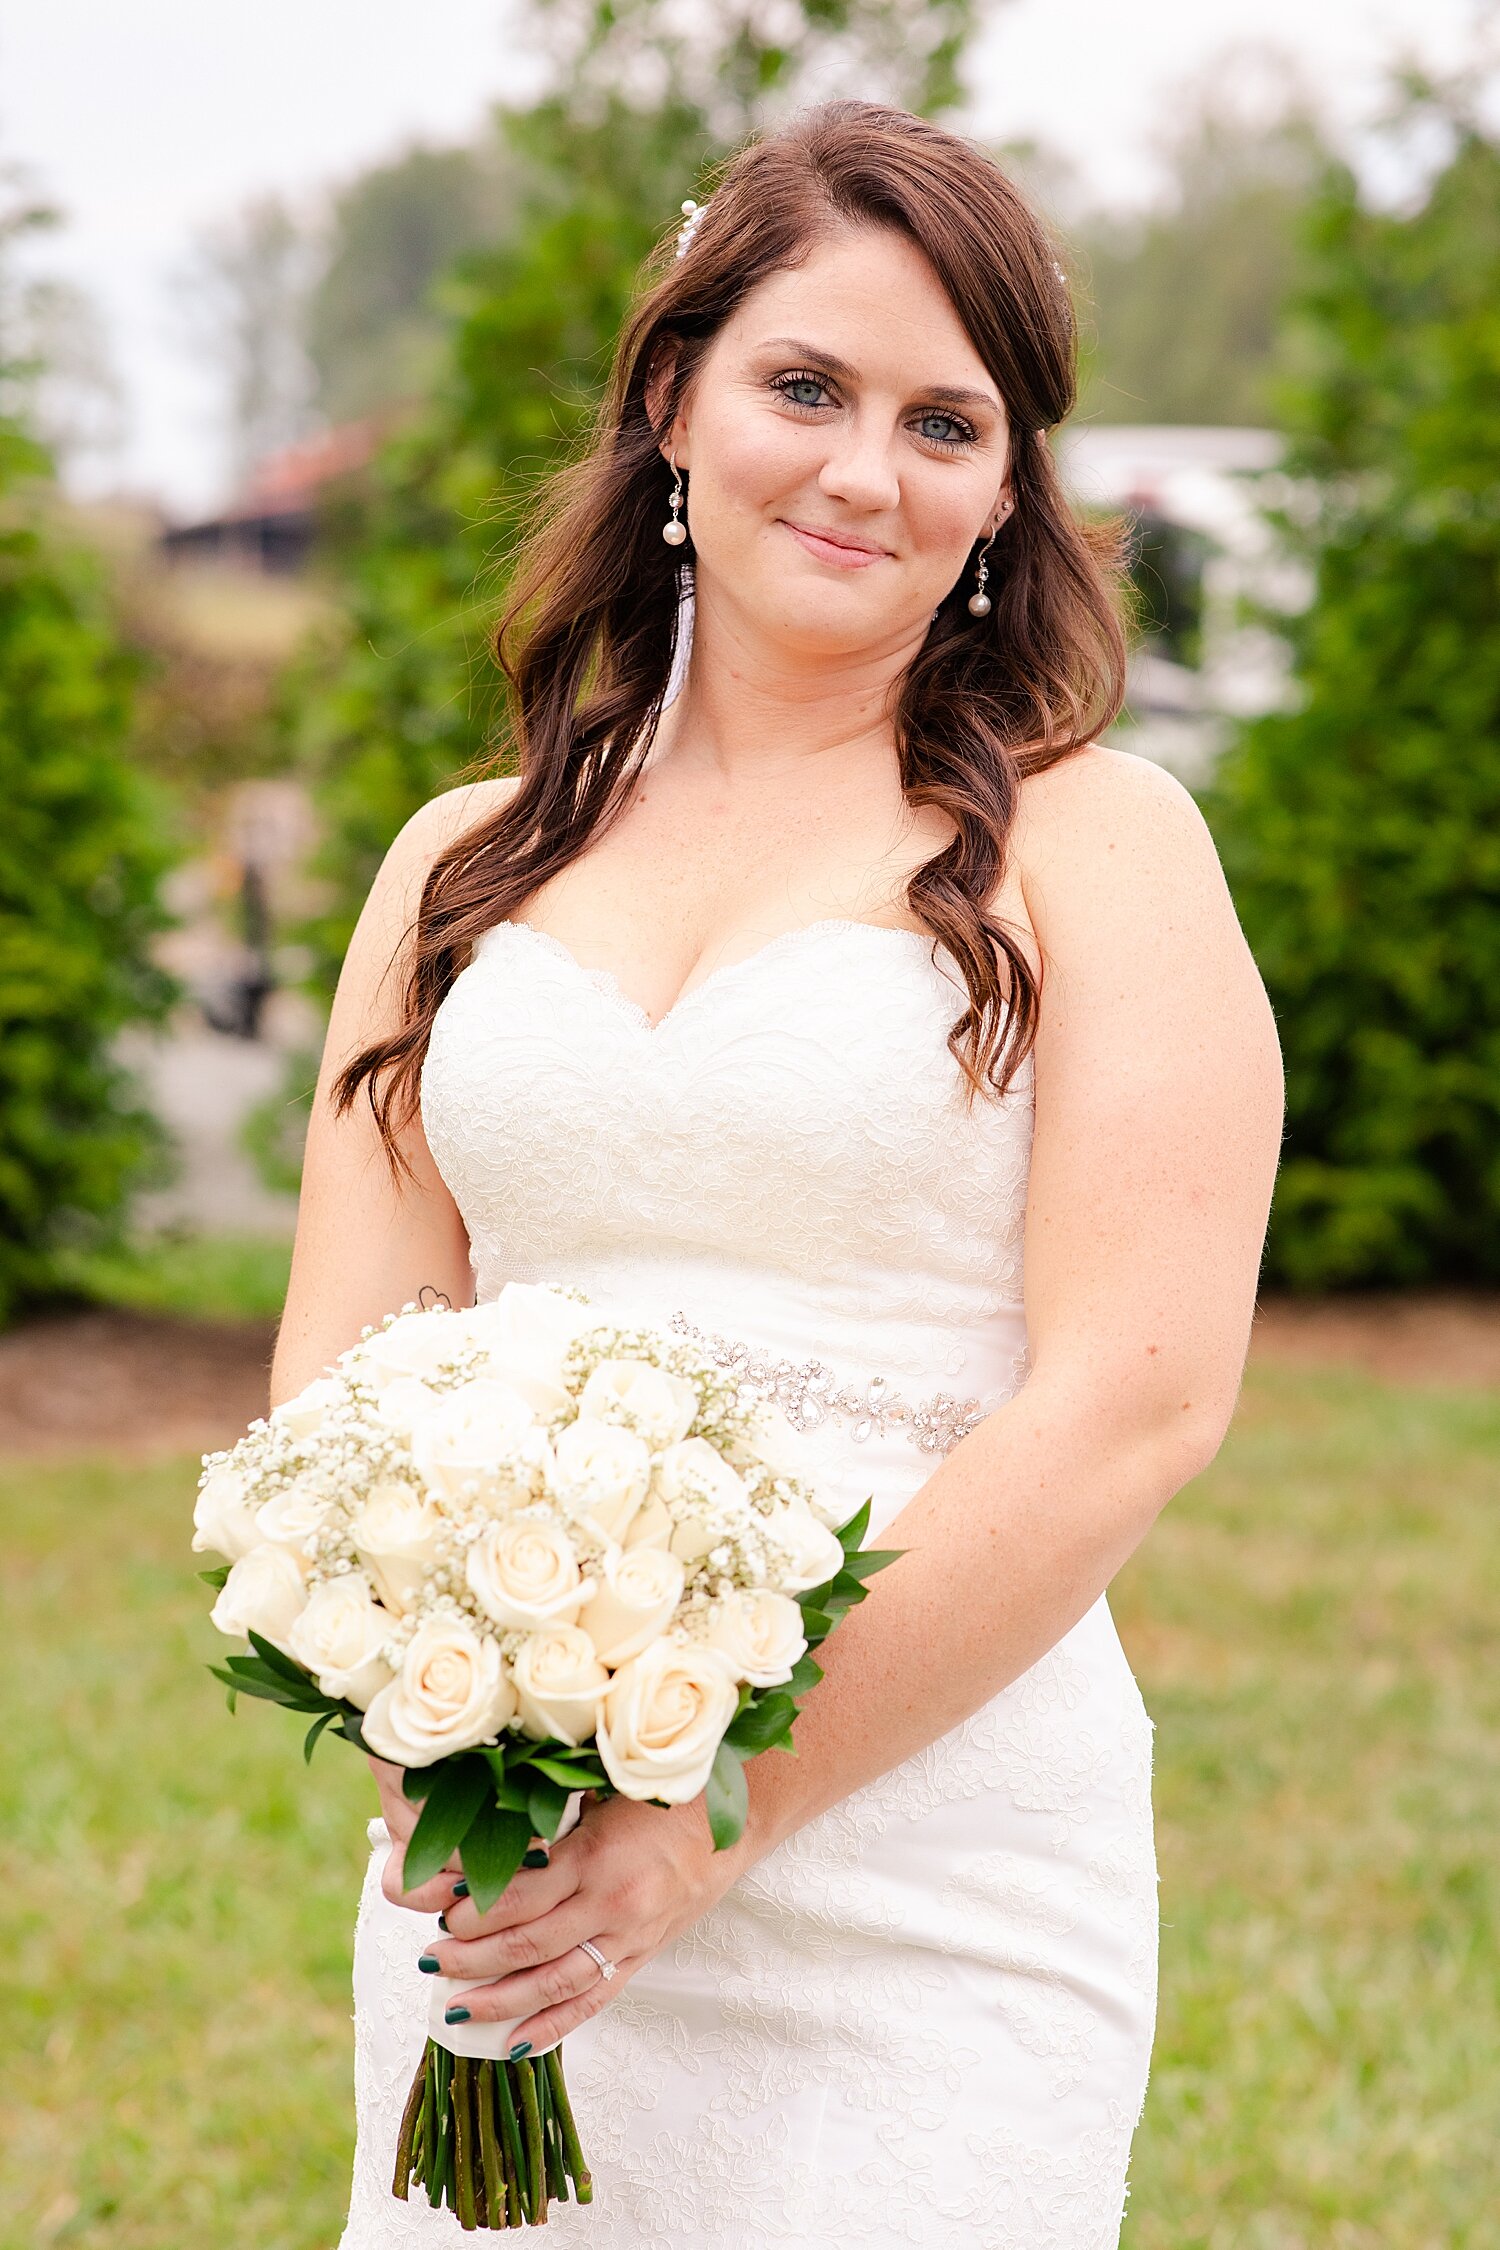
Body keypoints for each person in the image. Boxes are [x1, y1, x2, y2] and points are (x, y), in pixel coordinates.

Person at [272, 100, 1283, 2250]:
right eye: (803, 385)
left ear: (1010, 491)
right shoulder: (455, 869)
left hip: (931, 1851)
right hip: (507, 1861)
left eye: (946, 421)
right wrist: (444, 1754)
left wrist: (715, 1812)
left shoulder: (1106, 851)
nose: (860, 469)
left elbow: (1139, 1398)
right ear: (670, 401)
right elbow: (338, 1392)